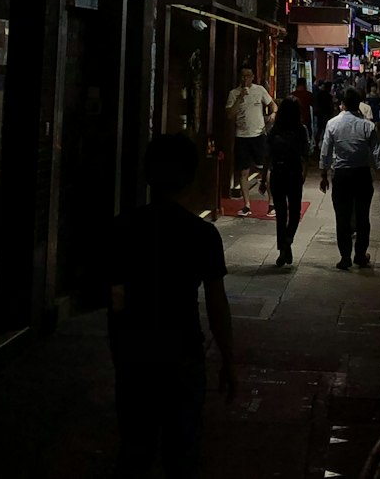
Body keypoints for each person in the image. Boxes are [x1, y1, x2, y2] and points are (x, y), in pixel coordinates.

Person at [109, 132, 236, 478]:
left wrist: (119, 345)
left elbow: (115, 295)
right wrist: (228, 356)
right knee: (181, 451)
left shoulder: (124, 227)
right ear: (190, 176)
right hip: (182, 349)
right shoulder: (202, 235)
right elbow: (216, 302)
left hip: (135, 349)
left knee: (135, 447)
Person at [319, 87, 380, 270]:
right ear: (358, 104)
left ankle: (345, 256)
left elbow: (325, 152)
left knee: (342, 217)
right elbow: (377, 153)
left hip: (341, 175)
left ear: (342, 103)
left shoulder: (332, 124)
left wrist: (323, 175)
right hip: (361, 175)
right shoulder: (367, 125)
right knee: (362, 216)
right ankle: (360, 254)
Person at [225, 64, 274, 216]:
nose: (245, 78)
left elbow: (273, 105)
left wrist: (273, 115)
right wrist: (240, 98)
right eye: (243, 76)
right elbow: (229, 115)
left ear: (253, 77)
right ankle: (246, 204)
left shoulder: (260, 90)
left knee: (265, 169)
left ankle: (271, 203)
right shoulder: (234, 93)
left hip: (259, 135)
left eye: (248, 75)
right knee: (243, 172)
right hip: (242, 136)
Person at [266, 97, 309, 267]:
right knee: (295, 211)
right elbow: (305, 154)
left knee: (281, 213)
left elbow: (267, 155)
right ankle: (288, 241)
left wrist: (263, 177)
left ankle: (283, 246)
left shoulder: (275, 130)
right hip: (294, 173)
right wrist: (304, 174)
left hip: (277, 172)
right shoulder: (301, 129)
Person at [292, 76, 315, 150]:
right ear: (304, 84)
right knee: (306, 140)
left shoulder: (292, 95)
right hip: (306, 120)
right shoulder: (308, 95)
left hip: (294, 121)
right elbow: (314, 105)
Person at [314, 80, 335, 147]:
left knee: (319, 129)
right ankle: (325, 144)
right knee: (326, 130)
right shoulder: (329, 96)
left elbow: (316, 103)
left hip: (320, 113)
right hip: (326, 114)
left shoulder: (320, 94)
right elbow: (330, 106)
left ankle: (317, 143)